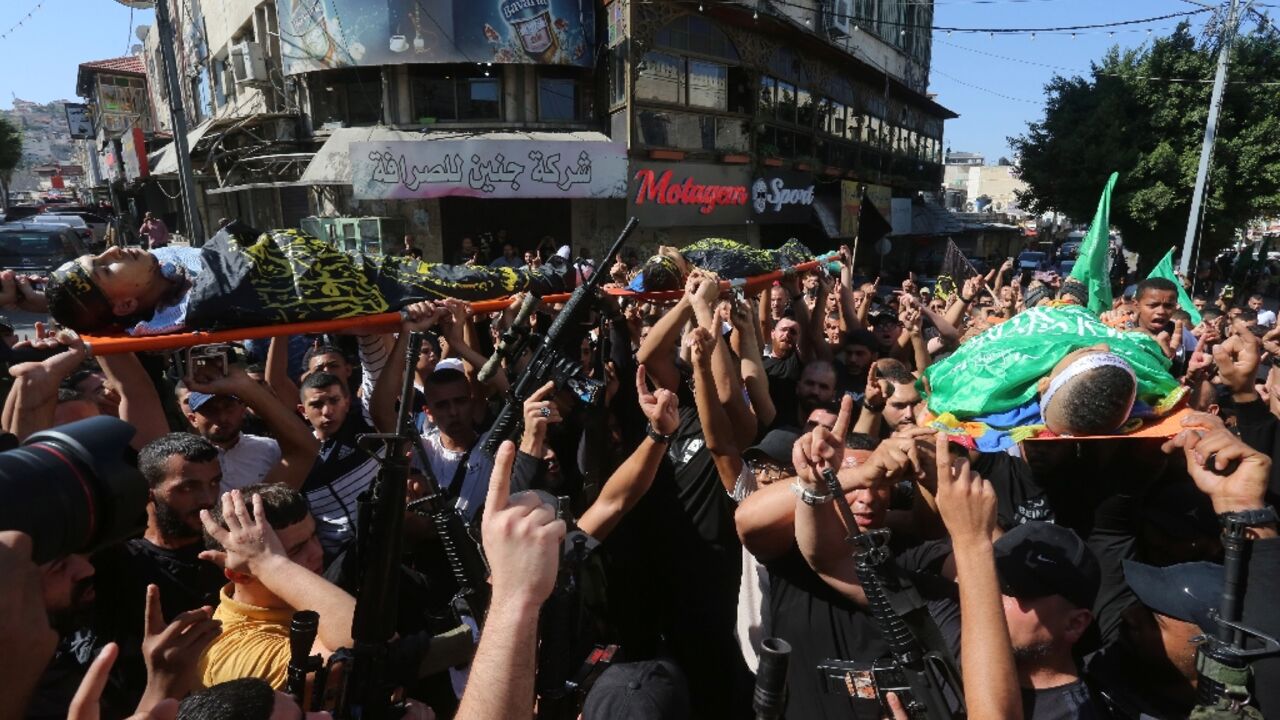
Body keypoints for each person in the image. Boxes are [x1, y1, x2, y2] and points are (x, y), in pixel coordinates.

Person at [42, 225, 571, 336]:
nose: (115, 251)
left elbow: (237, 241)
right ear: (123, 304)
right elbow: (242, 252)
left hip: (361, 274)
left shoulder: (176, 271)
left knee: (463, 277)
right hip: (368, 291)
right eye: (105, 268)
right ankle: (556, 276)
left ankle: (554, 274)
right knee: (468, 284)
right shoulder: (201, 308)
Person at [176, 362, 318, 492]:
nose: (222, 417)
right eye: (210, 410)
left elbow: (306, 451)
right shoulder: (184, 463)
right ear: (193, 419)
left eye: (228, 407)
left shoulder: (270, 449)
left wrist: (244, 384)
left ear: (243, 409)